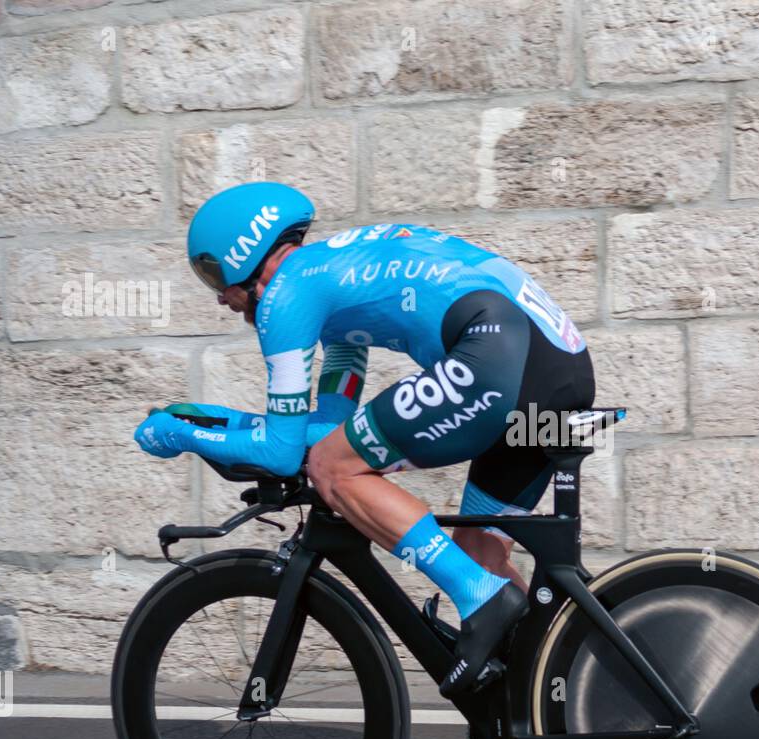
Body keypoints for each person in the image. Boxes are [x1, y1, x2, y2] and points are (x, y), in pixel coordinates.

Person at [133, 182, 594, 697]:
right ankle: (579, 689)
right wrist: (217, 421)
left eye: (212, 273)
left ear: (243, 252)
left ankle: (480, 598)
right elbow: (328, 425)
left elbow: (285, 453)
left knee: (334, 470)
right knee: (476, 547)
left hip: (498, 358)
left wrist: (182, 433)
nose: (219, 295)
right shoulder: (330, 280)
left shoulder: (285, 296)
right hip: (554, 368)